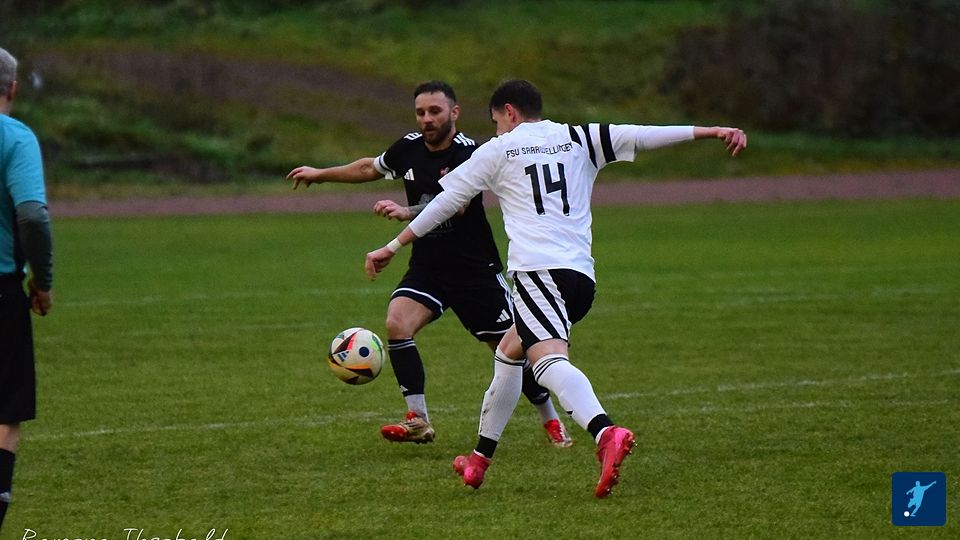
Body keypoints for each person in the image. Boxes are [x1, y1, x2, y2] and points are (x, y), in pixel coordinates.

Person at [365, 79, 747, 498]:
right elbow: (643, 134)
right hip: (580, 278)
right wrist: (711, 131)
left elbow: (443, 202)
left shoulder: (499, 149)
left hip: (538, 273)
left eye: (496, 122)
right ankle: (478, 461)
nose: (496, 130)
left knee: (546, 361)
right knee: (508, 353)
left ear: (509, 112)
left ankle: (605, 431)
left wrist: (392, 246)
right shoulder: (580, 137)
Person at [287, 80, 573, 447]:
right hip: (428, 268)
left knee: (514, 351)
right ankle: (417, 419)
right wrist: (320, 174)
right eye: (420, 112)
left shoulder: (470, 152)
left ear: (454, 113)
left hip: (475, 271)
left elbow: (458, 204)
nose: (427, 119)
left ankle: (550, 419)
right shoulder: (408, 148)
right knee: (397, 322)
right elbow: (370, 168)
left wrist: (406, 211)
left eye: (435, 111)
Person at [0, 47, 54, 530]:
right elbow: (33, 217)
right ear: (12, 88)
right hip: (0, 291)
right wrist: (43, 281)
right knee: (4, 414)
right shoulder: (14, 137)